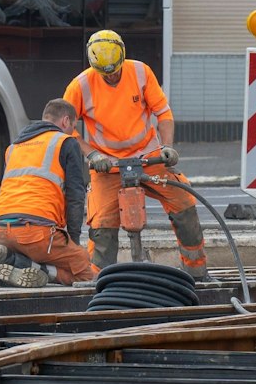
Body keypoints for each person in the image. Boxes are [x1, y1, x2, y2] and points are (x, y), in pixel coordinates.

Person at [62, 29, 207, 275]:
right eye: (105, 74)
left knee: (184, 204)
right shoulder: (80, 85)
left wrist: (167, 147)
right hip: (108, 165)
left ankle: (196, 271)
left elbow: (163, 112)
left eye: (115, 71)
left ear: (123, 57)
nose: (111, 76)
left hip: (149, 158)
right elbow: (66, 130)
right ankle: (97, 280)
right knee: (102, 226)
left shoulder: (140, 72)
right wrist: (92, 155)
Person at [0, 98, 96, 288]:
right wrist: (73, 240)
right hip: (35, 232)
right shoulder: (66, 142)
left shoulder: (14, 147)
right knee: (83, 268)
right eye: (72, 126)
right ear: (65, 121)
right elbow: (75, 197)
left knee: (29, 248)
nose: (72, 131)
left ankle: (9, 260)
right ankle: (34, 269)